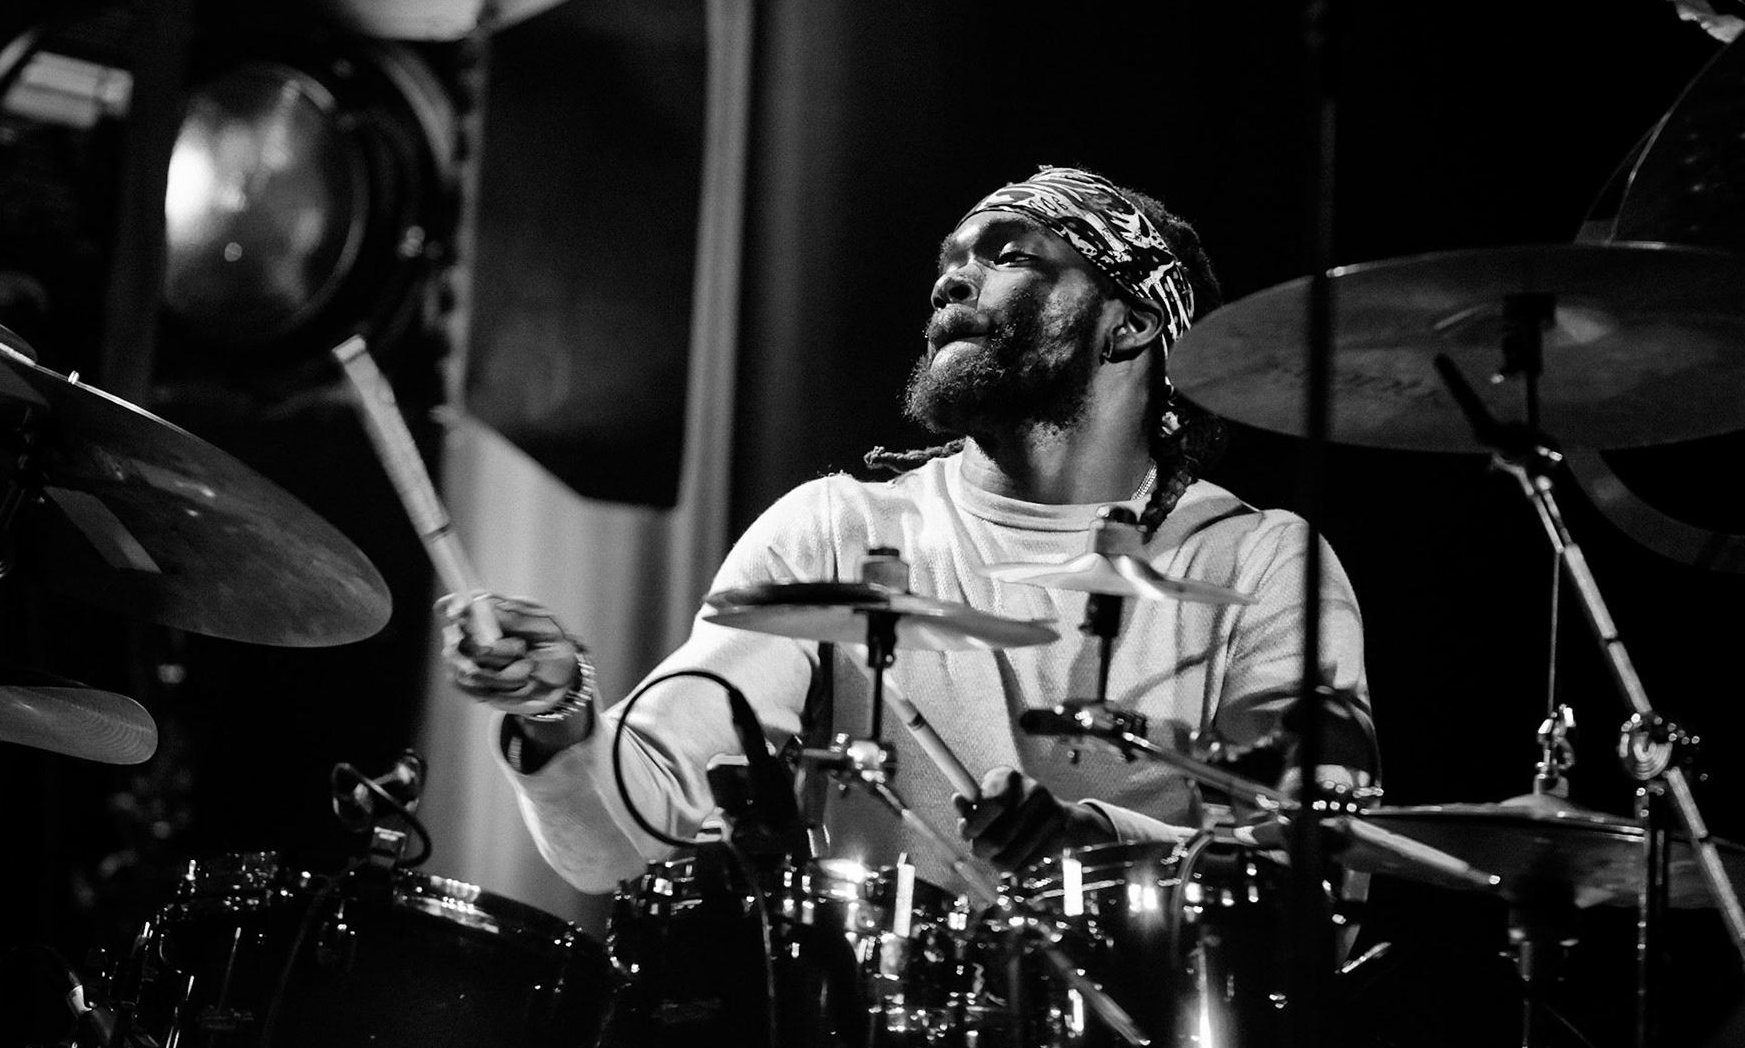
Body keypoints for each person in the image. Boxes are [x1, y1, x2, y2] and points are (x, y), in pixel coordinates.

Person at [444, 165, 1372, 898]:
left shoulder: (1258, 562)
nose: (950, 279)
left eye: (1007, 253)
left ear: (1128, 327)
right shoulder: (835, 534)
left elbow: (1317, 866)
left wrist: (1101, 845)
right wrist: (558, 721)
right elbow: (620, 844)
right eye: (950, 257)